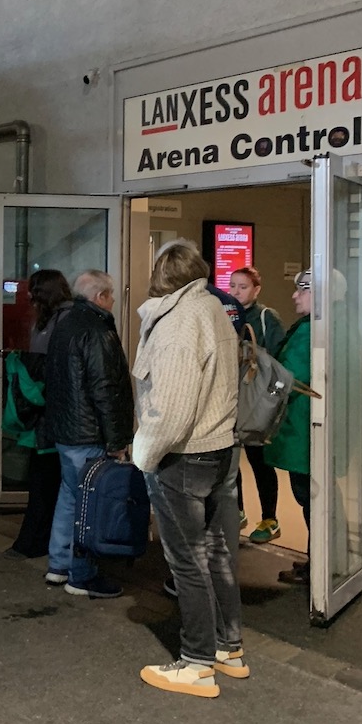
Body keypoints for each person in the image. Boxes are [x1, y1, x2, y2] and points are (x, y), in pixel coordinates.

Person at [133, 239, 243, 699]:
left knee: (188, 561)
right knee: (216, 552)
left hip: (184, 456)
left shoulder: (178, 323)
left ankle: (196, 664)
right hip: (220, 448)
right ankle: (228, 648)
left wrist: (143, 454)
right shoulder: (214, 310)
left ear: (161, 279)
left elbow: (172, 409)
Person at [38, 270, 133, 597]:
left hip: (66, 432)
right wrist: (117, 439)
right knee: (88, 505)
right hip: (89, 432)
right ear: (100, 297)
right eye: (111, 295)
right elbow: (105, 389)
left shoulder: (64, 324)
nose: (113, 301)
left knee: (69, 497)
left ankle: (58, 565)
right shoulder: (96, 330)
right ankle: (81, 575)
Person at [4, 269, 72, 560]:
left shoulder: (43, 324)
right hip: (60, 417)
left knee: (42, 482)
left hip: (41, 419)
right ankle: (50, 543)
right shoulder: (68, 320)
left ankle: (34, 542)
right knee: (55, 484)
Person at [229, 266, 287, 544]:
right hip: (232, 397)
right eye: (232, 286)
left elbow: (277, 358)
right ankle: (237, 511)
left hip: (255, 399)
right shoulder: (226, 316)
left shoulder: (266, 317)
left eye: (243, 286)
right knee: (230, 461)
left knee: (258, 459)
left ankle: (269, 519)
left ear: (256, 289)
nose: (236, 292)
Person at [264, 269, 313, 584]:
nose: (295, 295)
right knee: (312, 499)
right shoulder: (320, 326)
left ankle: (317, 566)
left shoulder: (310, 332)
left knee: (310, 498)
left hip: (303, 431)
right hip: (307, 430)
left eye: (302, 290)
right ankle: (317, 560)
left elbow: (289, 377)